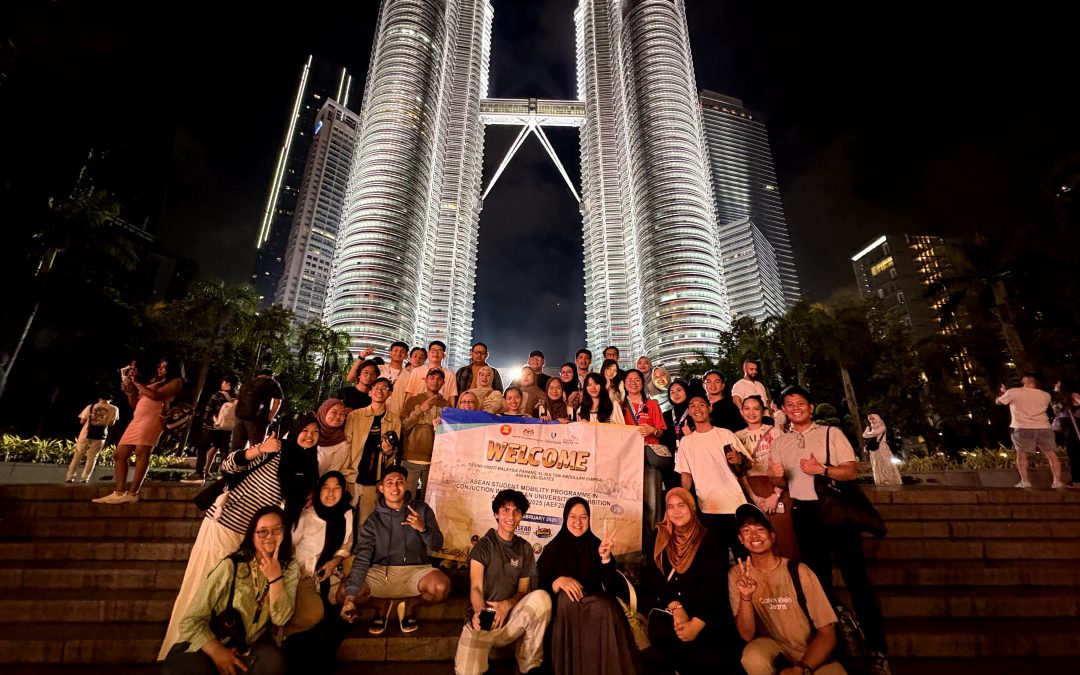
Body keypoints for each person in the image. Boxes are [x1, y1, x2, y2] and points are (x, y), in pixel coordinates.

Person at [158, 415, 320, 660]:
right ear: (295, 430)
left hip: (255, 538)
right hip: (225, 524)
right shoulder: (275, 449)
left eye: (315, 432)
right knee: (203, 586)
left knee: (230, 594)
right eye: (305, 430)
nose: (309, 435)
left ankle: (222, 648)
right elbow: (229, 466)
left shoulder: (307, 465)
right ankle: (181, 650)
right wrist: (258, 449)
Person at [768, 385, 890, 673]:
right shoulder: (779, 443)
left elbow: (850, 471)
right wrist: (775, 479)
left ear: (810, 407)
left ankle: (876, 648)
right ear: (783, 410)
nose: (795, 407)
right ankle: (833, 645)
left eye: (800, 403)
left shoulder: (829, 433)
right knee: (818, 583)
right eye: (789, 403)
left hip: (835, 511)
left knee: (856, 578)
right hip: (804, 513)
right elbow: (782, 484)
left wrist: (821, 469)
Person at [162, 506, 298, 675]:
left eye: (277, 530)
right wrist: (217, 652)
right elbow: (190, 621)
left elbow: (281, 618)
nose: (270, 537)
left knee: (274, 663)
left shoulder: (290, 568)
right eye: (262, 532)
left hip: (252, 644)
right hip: (214, 639)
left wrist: (275, 577)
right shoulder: (230, 566)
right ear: (252, 535)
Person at [729, 504, 845, 675]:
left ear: (772, 536)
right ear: (740, 539)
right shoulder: (738, 574)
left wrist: (801, 668)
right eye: (746, 531)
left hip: (811, 653)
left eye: (760, 529)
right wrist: (745, 597)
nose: (754, 535)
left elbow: (827, 634)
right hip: (776, 652)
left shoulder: (799, 571)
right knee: (753, 657)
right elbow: (746, 635)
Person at [537, 497, 641, 675]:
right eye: (572, 517)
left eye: (583, 517)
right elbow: (540, 587)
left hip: (596, 603)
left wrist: (605, 559)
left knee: (605, 607)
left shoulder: (597, 546)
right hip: (564, 611)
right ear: (565, 518)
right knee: (566, 599)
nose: (578, 522)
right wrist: (558, 581)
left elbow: (613, 587)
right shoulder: (552, 550)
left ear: (589, 519)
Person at [341, 466, 451, 634]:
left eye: (399, 482)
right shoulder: (373, 521)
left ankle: (409, 604)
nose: (395, 487)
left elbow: (437, 545)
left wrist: (422, 528)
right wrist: (349, 599)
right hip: (380, 572)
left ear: (406, 485)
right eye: (390, 483)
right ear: (381, 488)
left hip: (416, 571)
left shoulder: (421, 509)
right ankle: (381, 604)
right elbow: (363, 557)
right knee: (343, 593)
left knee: (441, 587)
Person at [642, 488, 741, 674]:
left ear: (692, 507)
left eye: (681, 505)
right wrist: (676, 607)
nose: (676, 511)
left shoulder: (710, 538)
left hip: (706, 615)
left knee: (709, 654)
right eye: (670, 507)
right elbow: (654, 577)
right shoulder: (660, 537)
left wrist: (697, 623)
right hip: (673, 614)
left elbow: (714, 585)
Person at [454, 489, 552, 675]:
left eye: (516, 511)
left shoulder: (524, 548)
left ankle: (529, 666)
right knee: (467, 672)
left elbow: (523, 591)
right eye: (505, 510)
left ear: (521, 516)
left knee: (541, 598)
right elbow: (475, 587)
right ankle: (483, 665)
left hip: (511, 619)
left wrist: (506, 605)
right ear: (496, 514)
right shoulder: (485, 545)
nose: (511, 516)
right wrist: (479, 612)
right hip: (484, 618)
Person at [93, 359, 184, 505]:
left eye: (164, 367)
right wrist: (130, 392)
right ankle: (119, 492)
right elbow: (135, 404)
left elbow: (156, 396)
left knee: (142, 452)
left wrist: (135, 381)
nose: (160, 370)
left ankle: (133, 492)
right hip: (138, 419)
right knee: (119, 455)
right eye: (159, 367)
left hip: (153, 419)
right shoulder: (154, 382)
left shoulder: (176, 382)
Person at [675, 396, 749, 560]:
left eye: (701, 404)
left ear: (710, 408)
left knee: (743, 556)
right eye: (692, 406)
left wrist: (739, 459)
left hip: (735, 504)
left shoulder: (725, 434)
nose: (697, 408)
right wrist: (682, 501)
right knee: (716, 558)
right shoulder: (686, 442)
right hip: (708, 507)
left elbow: (745, 464)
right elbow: (686, 475)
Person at [283, 472, 353, 642]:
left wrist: (335, 561)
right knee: (316, 616)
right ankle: (283, 637)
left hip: (330, 576)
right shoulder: (306, 516)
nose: (331, 493)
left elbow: (347, 543)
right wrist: (303, 571)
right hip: (302, 576)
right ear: (318, 490)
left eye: (336, 488)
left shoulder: (346, 514)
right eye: (326, 488)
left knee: (339, 623)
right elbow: (287, 548)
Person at [736, 396, 799, 560]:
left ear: (763, 411)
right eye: (747, 409)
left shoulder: (775, 432)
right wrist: (754, 498)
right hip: (751, 490)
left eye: (756, 408)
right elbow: (738, 472)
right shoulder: (736, 436)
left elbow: (786, 465)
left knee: (785, 537)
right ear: (742, 412)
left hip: (776, 487)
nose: (751, 413)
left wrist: (775, 494)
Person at [342, 377, 400, 523]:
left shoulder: (394, 420)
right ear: (370, 392)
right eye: (376, 387)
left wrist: (389, 452)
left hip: (374, 480)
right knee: (345, 521)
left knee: (365, 522)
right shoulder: (355, 416)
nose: (379, 391)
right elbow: (346, 446)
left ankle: (362, 547)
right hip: (352, 477)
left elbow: (394, 452)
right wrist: (345, 473)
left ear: (390, 393)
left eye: (384, 388)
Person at [622, 369, 668, 541]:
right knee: (629, 501)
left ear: (642, 383)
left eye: (637, 379)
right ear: (624, 383)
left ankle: (654, 543)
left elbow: (662, 431)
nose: (633, 382)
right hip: (628, 459)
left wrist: (652, 430)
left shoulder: (653, 404)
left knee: (653, 502)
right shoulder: (619, 405)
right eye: (629, 379)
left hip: (650, 457)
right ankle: (633, 542)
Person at [995, 375, 1065, 488]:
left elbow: (999, 402)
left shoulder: (1014, 392)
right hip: (1044, 426)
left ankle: (1025, 481)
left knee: (1022, 454)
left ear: (1025, 382)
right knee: (1051, 454)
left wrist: (1003, 392)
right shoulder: (1045, 395)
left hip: (1022, 427)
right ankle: (1057, 481)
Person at [401, 368, 449, 500]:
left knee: (428, 501)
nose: (435, 381)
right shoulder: (413, 401)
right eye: (432, 378)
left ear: (443, 383)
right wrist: (420, 410)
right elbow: (403, 427)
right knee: (407, 500)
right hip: (411, 458)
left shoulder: (446, 405)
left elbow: (449, 436)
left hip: (434, 461)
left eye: (439, 379)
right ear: (426, 380)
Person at [183, 376, 238, 485]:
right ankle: (226, 475)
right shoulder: (236, 397)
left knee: (203, 449)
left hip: (211, 427)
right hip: (227, 429)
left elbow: (208, 410)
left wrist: (205, 422)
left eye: (223, 381)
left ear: (227, 383)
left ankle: (199, 473)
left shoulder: (218, 395)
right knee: (224, 451)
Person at [65, 392, 119, 483]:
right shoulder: (114, 409)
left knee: (78, 455)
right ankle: (85, 478)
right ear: (110, 400)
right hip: (101, 434)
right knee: (92, 457)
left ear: (99, 398)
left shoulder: (91, 406)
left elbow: (82, 421)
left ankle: (70, 477)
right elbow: (111, 423)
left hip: (86, 433)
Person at [230, 368, 283, 453]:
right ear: (271, 376)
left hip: (240, 417)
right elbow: (278, 402)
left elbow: (236, 402)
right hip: (258, 419)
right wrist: (270, 417)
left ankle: (231, 465)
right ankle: (253, 465)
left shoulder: (248, 383)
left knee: (236, 448)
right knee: (256, 447)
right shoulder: (272, 383)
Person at [659, 379, 694, 492]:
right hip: (671, 464)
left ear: (686, 391)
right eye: (672, 392)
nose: (676, 394)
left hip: (691, 461)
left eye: (679, 390)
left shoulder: (694, 412)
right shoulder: (665, 415)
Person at [404, 340, 458, 405]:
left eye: (439, 351)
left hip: (439, 411)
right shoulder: (417, 371)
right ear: (428, 354)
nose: (436, 353)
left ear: (443, 356)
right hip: (416, 410)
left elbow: (451, 398)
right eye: (433, 350)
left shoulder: (450, 375)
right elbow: (409, 393)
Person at [1053, 380, 1080, 488]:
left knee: (1076, 456)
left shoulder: (1073, 397)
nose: (1056, 387)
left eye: (1058, 385)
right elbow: (1057, 422)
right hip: (1069, 434)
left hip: (1075, 431)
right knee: (1074, 457)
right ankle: (1076, 480)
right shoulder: (1062, 406)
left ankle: (1077, 480)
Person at [863, 414, 902, 487]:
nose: (871, 420)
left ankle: (890, 481)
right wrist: (869, 431)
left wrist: (869, 433)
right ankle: (880, 481)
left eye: (873, 418)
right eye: (870, 419)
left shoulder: (882, 427)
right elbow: (864, 435)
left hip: (881, 447)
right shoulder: (870, 428)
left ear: (877, 418)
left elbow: (874, 433)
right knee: (877, 464)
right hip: (873, 449)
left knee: (885, 463)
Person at [314, 399, 349, 477]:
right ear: (323, 412)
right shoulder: (306, 431)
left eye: (342, 414)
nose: (338, 417)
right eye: (334, 412)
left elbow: (331, 473)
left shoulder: (341, 443)